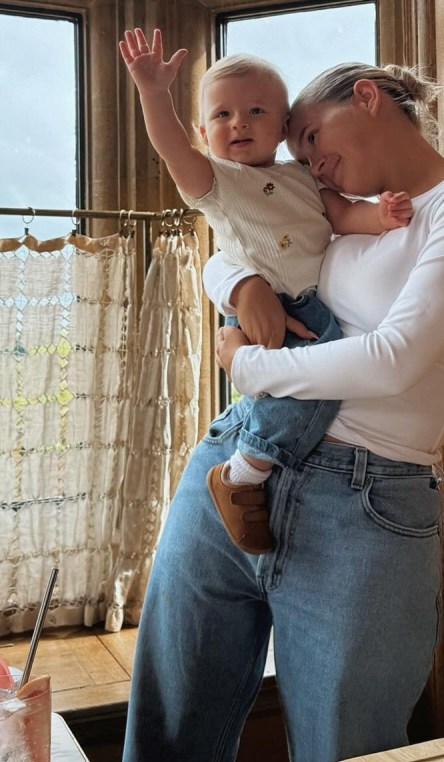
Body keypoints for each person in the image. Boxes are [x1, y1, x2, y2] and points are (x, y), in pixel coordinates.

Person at [119, 55, 444, 762]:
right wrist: (233, 284)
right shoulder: (329, 202)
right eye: (297, 147)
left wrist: (251, 362)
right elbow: (237, 236)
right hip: (235, 467)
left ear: (369, 101)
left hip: (366, 512)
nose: (308, 159)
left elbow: (397, 360)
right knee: (162, 759)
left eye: (312, 137)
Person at [119, 29, 412, 553]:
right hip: (271, 306)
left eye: (256, 111)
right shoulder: (217, 181)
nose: (238, 123)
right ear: (203, 131)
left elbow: (342, 215)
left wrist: (380, 216)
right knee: (304, 393)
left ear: (282, 127)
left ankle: (252, 468)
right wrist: (152, 93)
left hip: (312, 307)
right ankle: (244, 472)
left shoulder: (303, 177)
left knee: (313, 388)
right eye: (222, 115)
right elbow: (170, 148)